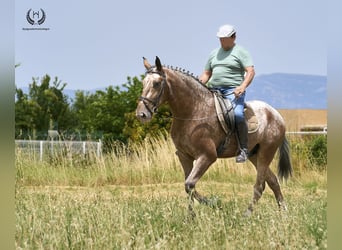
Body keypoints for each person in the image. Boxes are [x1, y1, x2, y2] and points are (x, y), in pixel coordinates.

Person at [199, 24, 255, 163]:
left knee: (237, 114)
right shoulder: (214, 53)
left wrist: (242, 86)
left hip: (233, 91)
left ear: (233, 37)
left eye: (224, 38)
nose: (222, 41)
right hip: (213, 90)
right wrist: (199, 85)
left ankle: (243, 149)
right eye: (220, 39)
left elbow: (250, 71)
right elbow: (207, 73)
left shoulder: (241, 52)